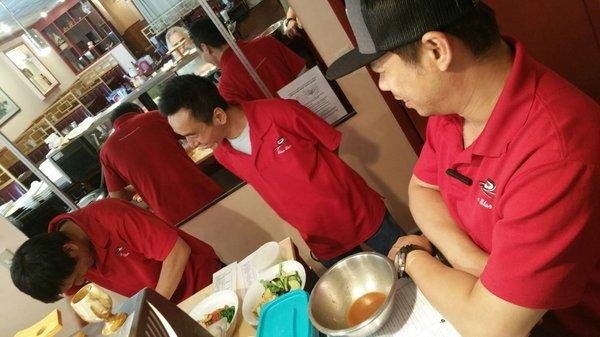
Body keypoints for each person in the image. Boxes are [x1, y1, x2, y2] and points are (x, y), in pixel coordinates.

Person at [326, 0, 600, 336]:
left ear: (436, 50)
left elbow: (490, 327)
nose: (383, 85)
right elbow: (422, 189)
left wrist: (411, 255)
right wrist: (473, 263)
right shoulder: (451, 109)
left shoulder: (557, 153)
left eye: (382, 69)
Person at [158, 74, 405, 268]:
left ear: (219, 116)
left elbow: (332, 144)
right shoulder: (223, 153)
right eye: (184, 138)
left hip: (359, 212)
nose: (191, 145)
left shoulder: (281, 112)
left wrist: (324, 190)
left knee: (411, 266)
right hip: (322, 239)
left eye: (193, 134)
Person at [10, 198, 223, 304]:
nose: (79, 283)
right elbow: (75, 298)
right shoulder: (59, 261)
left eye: (78, 277)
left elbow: (177, 252)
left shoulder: (111, 216)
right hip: (170, 305)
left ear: (71, 249)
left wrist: (152, 311)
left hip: (206, 283)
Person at [100, 102, 223, 226]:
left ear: (114, 126)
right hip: (203, 191)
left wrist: (139, 184)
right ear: (139, 111)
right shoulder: (156, 116)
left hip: (169, 216)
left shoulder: (106, 151)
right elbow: (195, 133)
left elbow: (118, 197)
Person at [188, 18, 306, 104]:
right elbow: (303, 73)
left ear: (205, 48)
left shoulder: (226, 86)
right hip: (311, 108)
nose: (203, 59)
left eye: (200, 53)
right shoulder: (266, 42)